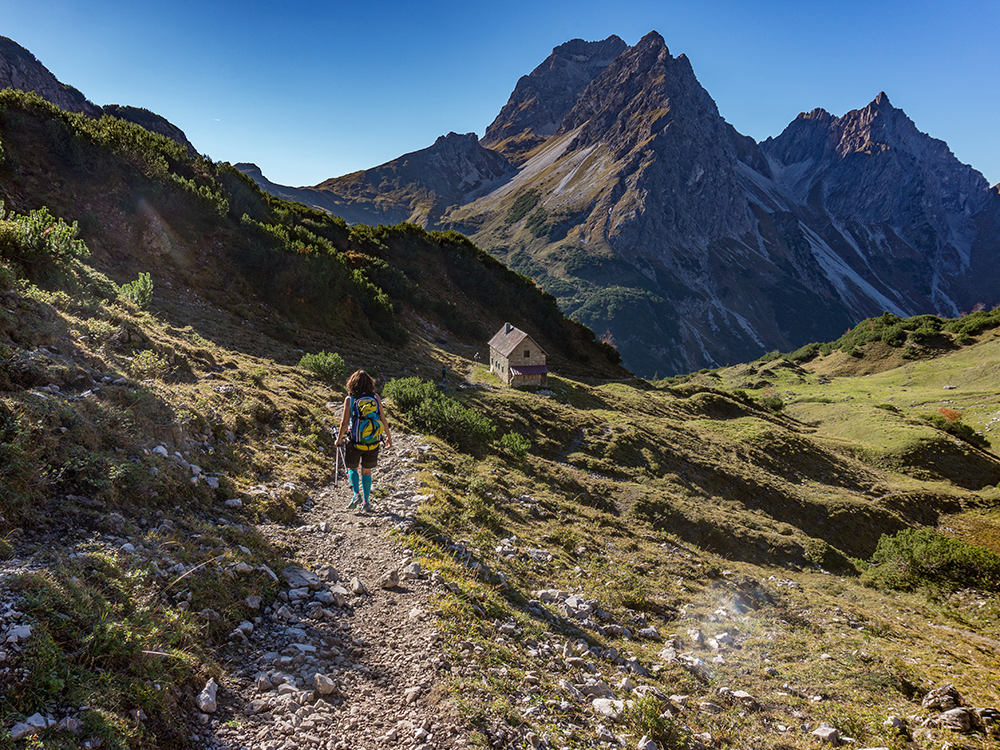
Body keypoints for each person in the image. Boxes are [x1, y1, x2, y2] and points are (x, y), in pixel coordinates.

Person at [336, 369, 393, 511]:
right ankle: (366, 501)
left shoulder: (350, 399)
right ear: (370, 383)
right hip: (373, 441)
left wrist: (339, 439)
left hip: (355, 441)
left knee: (352, 468)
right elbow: (383, 419)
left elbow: (344, 423)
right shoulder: (375, 397)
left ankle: (356, 494)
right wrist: (388, 438)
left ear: (352, 383)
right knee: (366, 471)